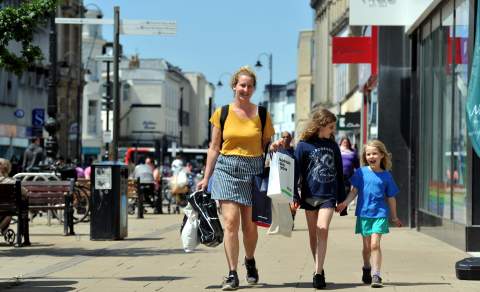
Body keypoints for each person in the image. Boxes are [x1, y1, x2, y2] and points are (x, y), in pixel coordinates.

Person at [197, 66, 274, 290]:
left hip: (253, 169)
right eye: (242, 85)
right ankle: (232, 273)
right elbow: (213, 148)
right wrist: (206, 177)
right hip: (226, 168)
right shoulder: (222, 113)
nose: (246, 89)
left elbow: (267, 147)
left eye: (250, 86)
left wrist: (277, 147)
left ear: (253, 89)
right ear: (234, 86)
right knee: (231, 222)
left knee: (250, 227)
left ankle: (249, 261)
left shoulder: (262, 114)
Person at [336, 139, 402, 288]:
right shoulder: (361, 173)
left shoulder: (386, 176)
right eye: (368, 154)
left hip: (380, 214)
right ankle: (366, 267)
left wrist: (394, 217)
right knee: (366, 248)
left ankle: (376, 274)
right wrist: (344, 204)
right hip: (364, 214)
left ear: (382, 156)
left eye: (374, 154)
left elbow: (391, 198)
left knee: (374, 245)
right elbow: (354, 192)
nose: (371, 156)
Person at [293, 108, 347, 289]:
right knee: (312, 234)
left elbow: (339, 173)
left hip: (328, 195)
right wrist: (294, 195)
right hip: (309, 195)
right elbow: (295, 172)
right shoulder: (303, 145)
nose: (333, 130)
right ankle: (319, 268)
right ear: (321, 125)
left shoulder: (333, 146)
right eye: (331, 126)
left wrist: (342, 200)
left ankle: (317, 273)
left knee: (322, 228)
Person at [0, 158, 27, 234]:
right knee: (10, 210)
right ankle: (3, 229)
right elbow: (25, 193)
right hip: (8, 208)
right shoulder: (13, 182)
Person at [339, 136, 359, 202]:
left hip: (349, 174)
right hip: (338, 173)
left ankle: (344, 202)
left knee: (347, 189)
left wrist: (358, 171)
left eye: (347, 142)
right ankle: (339, 200)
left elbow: (356, 163)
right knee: (339, 187)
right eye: (344, 142)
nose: (345, 143)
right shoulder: (337, 150)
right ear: (341, 142)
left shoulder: (352, 151)